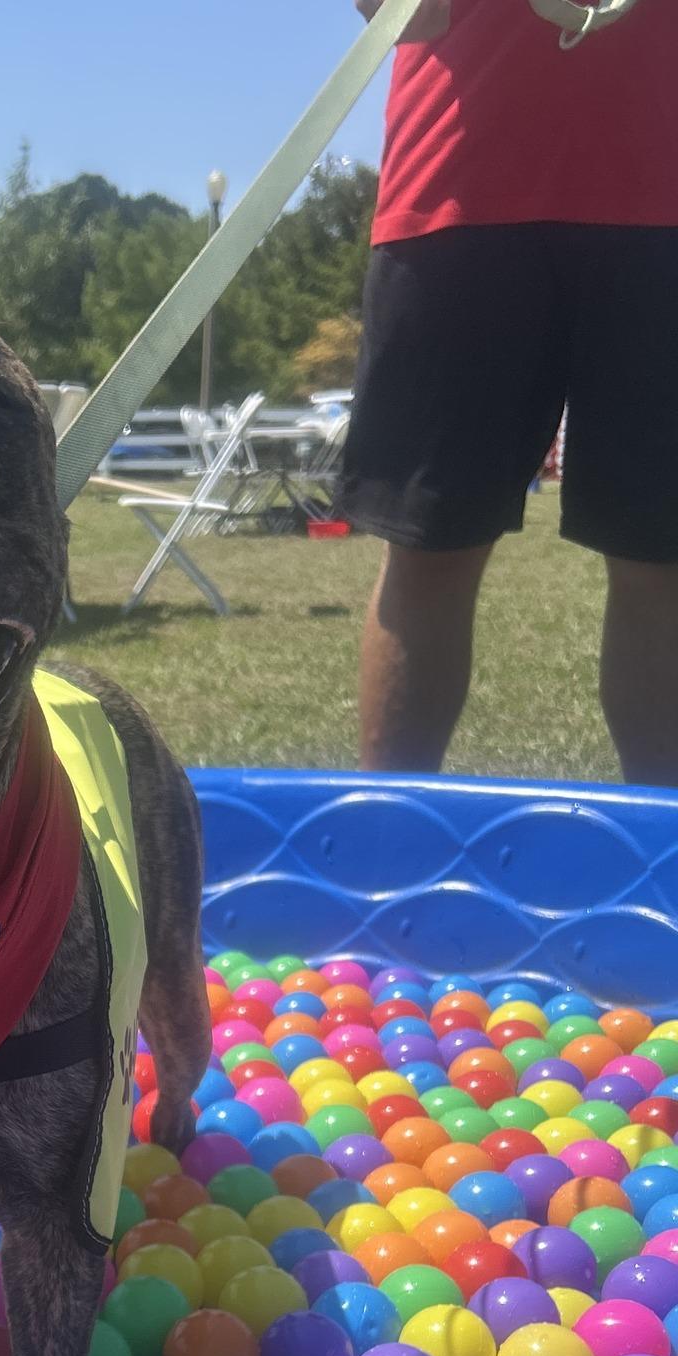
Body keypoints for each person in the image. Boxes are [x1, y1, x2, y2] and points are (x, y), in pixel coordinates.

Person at [341, 0, 678, 782]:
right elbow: (401, 12)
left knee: (661, 560)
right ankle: (384, 854)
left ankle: (667, 878)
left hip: (663, 197)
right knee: (430, 546)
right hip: (458, 191)